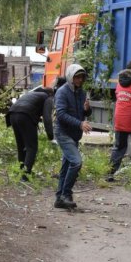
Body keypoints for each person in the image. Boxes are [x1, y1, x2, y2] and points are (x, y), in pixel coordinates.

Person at [5, 76, 66, 181]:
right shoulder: (48, 98)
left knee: (21, 147)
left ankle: (22, 173)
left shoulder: (33, 93)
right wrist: (51, 136)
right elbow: (47, 119)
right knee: (31, 147)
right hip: (25, 116)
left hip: (12, 114)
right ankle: (25, 176)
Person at [53, 64, 92, 209]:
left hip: (74, 134)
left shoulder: (82, 93)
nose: (80, 80)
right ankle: (66, 194)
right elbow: (61, 115)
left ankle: (59, 199)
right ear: (70, 77)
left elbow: (84, 113)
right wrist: (80, 124)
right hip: (63, 133)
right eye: (77, 77)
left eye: (82, 77)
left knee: (67, 165)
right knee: (76, 162)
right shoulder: (62, 92)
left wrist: (87, 110)